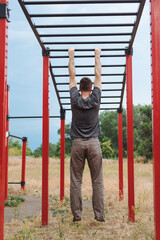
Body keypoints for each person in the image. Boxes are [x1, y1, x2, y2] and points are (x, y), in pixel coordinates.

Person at [68, 48, 104, 222]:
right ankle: (99, 215)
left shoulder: (74, 99)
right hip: (93, 143)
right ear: (90, 89)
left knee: (76, 180)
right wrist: (97, 55)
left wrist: (71, 56)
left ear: (80, 88)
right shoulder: (95, 98)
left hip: (77, 144)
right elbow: (98, 75)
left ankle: (77, 215)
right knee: (97, 180)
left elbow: (71, 76)